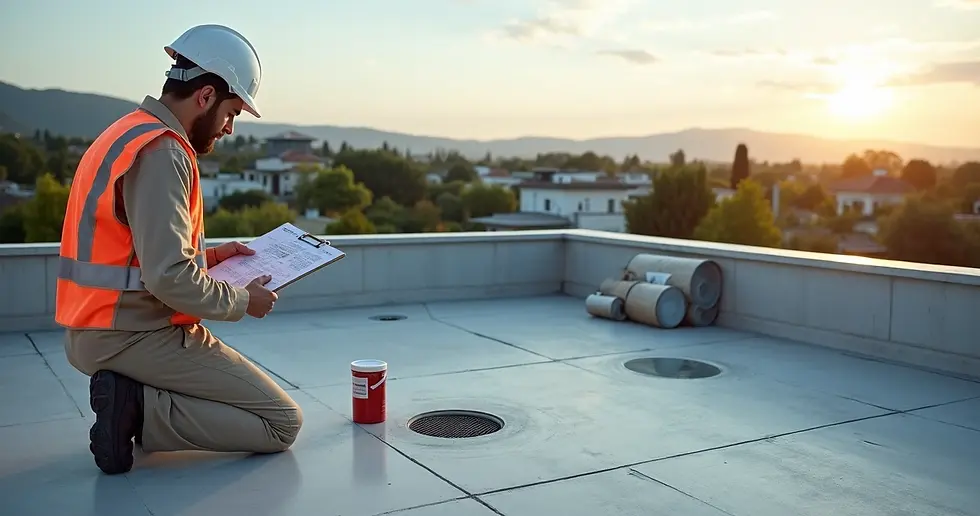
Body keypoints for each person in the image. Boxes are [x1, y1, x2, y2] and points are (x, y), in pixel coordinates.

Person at [55, 24, 303, 475]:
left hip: (96, 327)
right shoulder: (162, 152)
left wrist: (210, 259)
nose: (229, 129)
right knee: (281, 423)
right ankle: (134, 409)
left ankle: (132, 401)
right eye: (232, 113)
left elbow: (137, 255)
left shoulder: (127, 132)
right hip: (131, 335)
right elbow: (167, 276)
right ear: (205, 96)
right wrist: (243, 301)